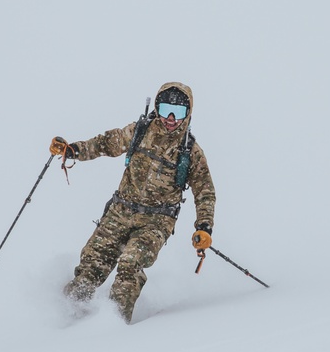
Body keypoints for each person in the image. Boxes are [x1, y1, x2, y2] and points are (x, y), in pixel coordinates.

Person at [49, 82, 215, 323]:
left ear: (187, 114)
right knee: (91, 266)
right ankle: (63, 321)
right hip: (120, 211)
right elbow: (106, 143)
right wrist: (73, 150)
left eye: (177, 112)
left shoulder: (190, 152)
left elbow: (205, 190)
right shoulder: (140, 130)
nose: (170, 118)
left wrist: (204, 227)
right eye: (165, 108)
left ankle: (113, 327)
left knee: (130, 263)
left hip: (156, 221)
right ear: (156, 107)